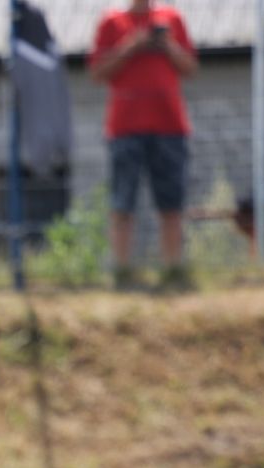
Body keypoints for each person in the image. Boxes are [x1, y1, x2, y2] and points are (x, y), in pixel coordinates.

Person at [90, 0, 199, 290]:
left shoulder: (172, 18)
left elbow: (190, 67)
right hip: (125, 127)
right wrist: (131, 45)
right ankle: (121, 272)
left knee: (171, 204)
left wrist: (168, 45)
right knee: (122, 203)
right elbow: (97, 72)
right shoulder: (111, 22)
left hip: (169, 125)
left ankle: (173, 271)